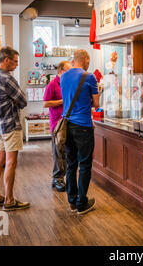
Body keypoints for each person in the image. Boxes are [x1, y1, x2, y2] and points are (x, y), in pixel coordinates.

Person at [0, 46, 29, 211]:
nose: (16, 65)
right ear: (6, 60)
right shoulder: (7, 78)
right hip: (10, 125)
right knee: (11, 163)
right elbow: (23, 101)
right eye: (15, 62)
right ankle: (10, 200)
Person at [61, 49, 102, 215]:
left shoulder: (63, 76)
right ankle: (82, 203)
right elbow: (96, 104)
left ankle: (72, 200)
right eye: (88, 60)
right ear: (84, 59)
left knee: (71, 164)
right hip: (83, 126)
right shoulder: (89, 76)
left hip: (67, 124)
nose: (88, 63)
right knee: (84, 164)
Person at [43, 61, 72, 192]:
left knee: (66, 151)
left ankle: (65, 177)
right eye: (68, 70)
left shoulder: (69, 83)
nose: (71, 73)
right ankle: (57, 178)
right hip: (57, 123)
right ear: (60, 71)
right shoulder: (52, 85)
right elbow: (46, 103)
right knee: (58, 151)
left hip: (70, 121)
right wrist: (63, 101)